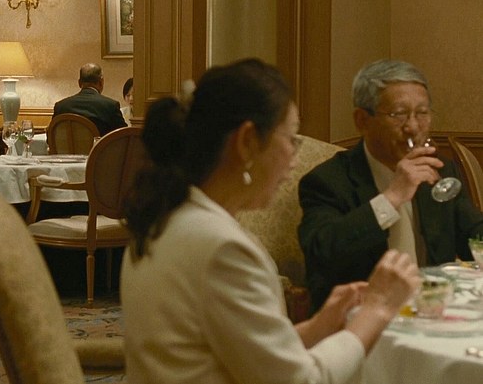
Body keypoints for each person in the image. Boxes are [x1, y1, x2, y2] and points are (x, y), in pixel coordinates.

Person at [121, 58, 420, 384]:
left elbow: (243, 355)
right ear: (247, 141)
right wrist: (377, 309)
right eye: (291, 139)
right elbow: (302, 381)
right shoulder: (221, 248)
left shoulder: (166, 217)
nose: (294, 159)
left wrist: (319, 326)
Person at [298, 59, 483, 311]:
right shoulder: (327, 181)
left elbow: (473, 234)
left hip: (432, 308)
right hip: (363, 316)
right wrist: (392, 196)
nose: (413, 127)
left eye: (422, 113)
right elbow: (322, 253)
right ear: (362, 120)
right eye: (398, 114)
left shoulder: (440, 169)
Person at [53, 63, 127, 136]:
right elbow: (124, 136)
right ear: (101, 82)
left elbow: (51, 136)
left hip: (66, 145)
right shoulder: (110, 106)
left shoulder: (60, 107)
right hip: (99, 144)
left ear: (79, 83)